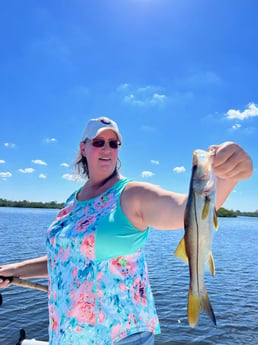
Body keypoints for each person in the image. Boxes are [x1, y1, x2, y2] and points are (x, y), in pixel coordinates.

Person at [0, 116, 253, 345]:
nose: (107, 149)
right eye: (99, 142)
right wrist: (13, 270)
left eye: (114, 143)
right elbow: (67, 261)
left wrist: (229, 175)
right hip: (67, 335)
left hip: (122, 337)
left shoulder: (132, 195)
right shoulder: (72, 202)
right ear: (83, 148)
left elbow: (185, 210)